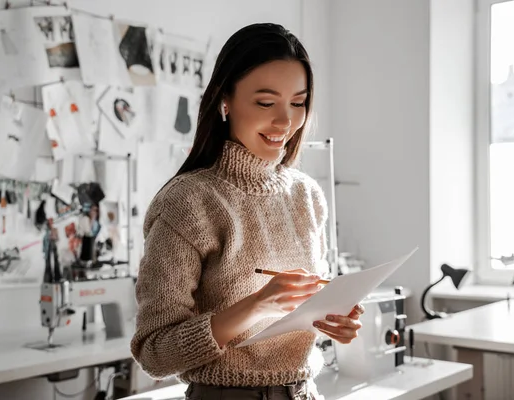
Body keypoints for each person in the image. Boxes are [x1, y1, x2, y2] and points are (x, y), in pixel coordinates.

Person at [130, 23, 364, 400]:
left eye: (299, 102)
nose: (285, 122)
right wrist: (255, 306)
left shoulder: (307, 196)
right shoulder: (188, 203)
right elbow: (154, 352)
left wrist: (332, 320)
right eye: (266, 102)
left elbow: (303, 315)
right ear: (225, 101)